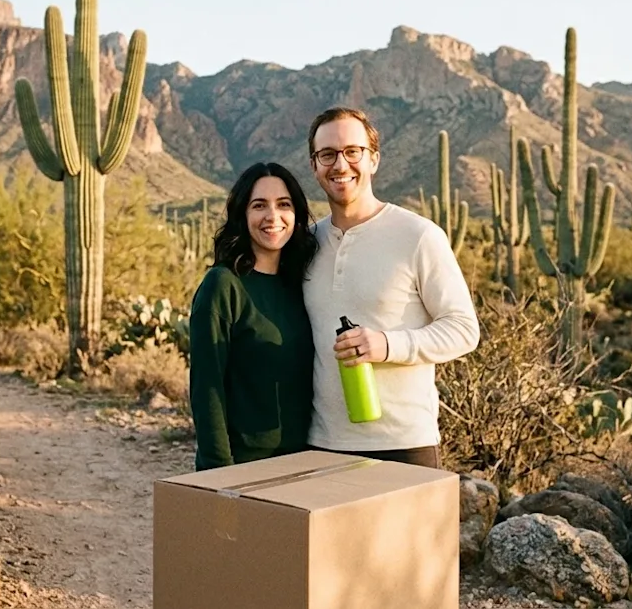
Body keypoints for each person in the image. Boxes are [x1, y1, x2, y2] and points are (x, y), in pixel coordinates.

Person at [302, 107, 480, 469]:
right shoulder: (304, 245)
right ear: (314, 165)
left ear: (374, 160)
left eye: (353, 152)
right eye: (328, 155)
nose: (341, 164)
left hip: (403, 444)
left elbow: (464, 329)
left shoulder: (418, 235)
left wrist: (386, 344)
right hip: (322, 444)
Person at [188, 161, 320, 471]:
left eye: (283, 205)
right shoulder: (223, 285)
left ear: (297, 215)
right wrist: (219, 471)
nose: (272, 217)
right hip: (242, 464)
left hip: (306, 460)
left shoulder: (302, 285)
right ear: (242, 215)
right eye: (259, 205)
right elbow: (207, 387)